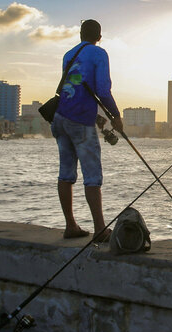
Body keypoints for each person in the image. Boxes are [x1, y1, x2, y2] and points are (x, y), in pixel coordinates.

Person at [52, 18, 123, 242]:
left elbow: (74, 87)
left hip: (60, 117)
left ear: (80, 34)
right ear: (99, 37)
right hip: (80, 121)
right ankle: (100, 229)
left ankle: (70, 225)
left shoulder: (68, 54)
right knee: (92, 175)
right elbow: (102, 89)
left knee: (66, 173)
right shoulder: (99, 54)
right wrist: (116, 116)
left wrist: (101, 118)